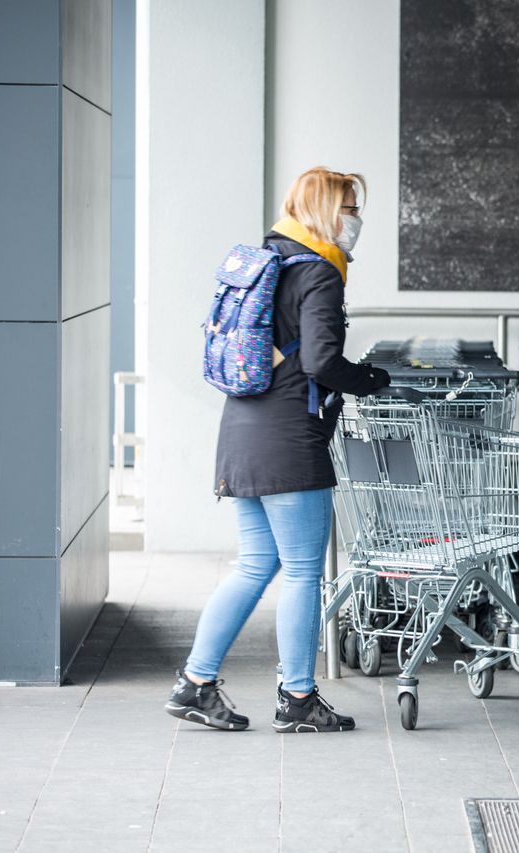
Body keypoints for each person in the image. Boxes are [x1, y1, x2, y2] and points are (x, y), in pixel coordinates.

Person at [164, 167, 391, 733]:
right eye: (349, 208)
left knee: (256, 565)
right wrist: (371, 380)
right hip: (289, 440)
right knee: (302, 572)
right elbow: (320, 362)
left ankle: (195, 683)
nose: (355, 219)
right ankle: (297, 698)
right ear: (324, 211)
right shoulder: (319, 273)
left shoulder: (268, 262)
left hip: (241, 433)